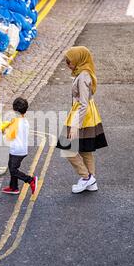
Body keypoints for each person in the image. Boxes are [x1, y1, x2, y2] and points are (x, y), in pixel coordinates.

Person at [56, 46, 108, 194]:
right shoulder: (84, 72)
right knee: (86, 150)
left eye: (69, 62)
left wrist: (74, 126)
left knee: (67, 148)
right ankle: (92, 182)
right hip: (89, 115)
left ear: (79, 60)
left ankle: (86, 178)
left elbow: (83, 103)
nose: (67, 65)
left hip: (81, 115)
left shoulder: (83, 76)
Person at [1, 97, 38, 195]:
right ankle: (13, 187)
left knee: (13, 170)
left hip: (16, 150)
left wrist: (3, 130)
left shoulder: (15, 122)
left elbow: (9, 137)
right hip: (21, 149)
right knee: (11, 166)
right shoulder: (24, 121)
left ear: (14, 109)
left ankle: (30, 180)